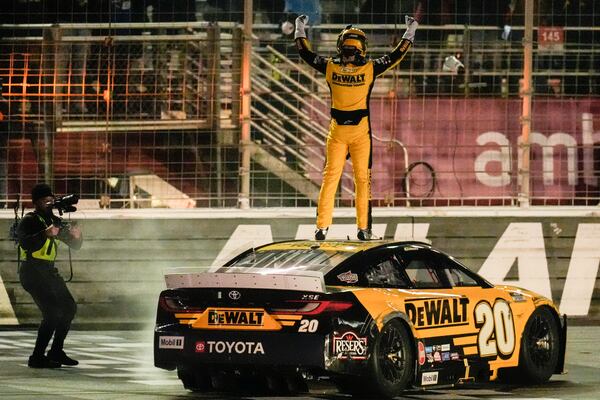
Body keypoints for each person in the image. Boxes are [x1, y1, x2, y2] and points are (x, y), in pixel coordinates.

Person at [293, 14, 418, 240]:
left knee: (330, 178)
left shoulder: (330, 67)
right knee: (363, 181)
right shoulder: (370, 68)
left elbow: (304, 52)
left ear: (341, 46)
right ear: (363, 48)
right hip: (361, 134)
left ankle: (321, 228)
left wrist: (299, 26)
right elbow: (397, 55)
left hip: (337, 133)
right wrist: (411, 30)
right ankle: (364, 230)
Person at [17, 183, 83, 368]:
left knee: (69, 308)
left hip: (48, 272)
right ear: (36, 202)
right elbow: (24, 242)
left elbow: (75, 246)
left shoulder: (53, 220)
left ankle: (56, 351)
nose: (49, 202)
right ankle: (37, 357)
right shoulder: (29, 220)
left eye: (50, 198)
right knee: (52, 313)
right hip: (32, 272)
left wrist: (76, 237)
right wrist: (44, 234)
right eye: (45, 199)